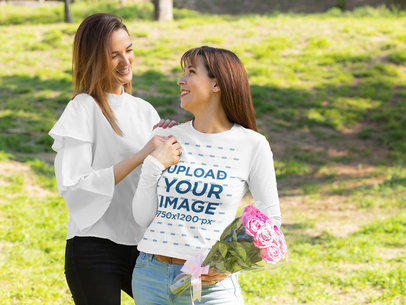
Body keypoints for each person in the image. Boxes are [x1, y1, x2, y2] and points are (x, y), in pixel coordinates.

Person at [131, 46, 281, 304]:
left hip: (210, 285)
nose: (181, 80)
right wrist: (153, 165)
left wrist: (227, 264)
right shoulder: (169, 137)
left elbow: (270, 217)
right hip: (150, 275)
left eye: (191, 72)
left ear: (217, 84)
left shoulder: (252, 144)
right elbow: (142, 218)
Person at [48, 13, 181, 305]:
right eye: (113, 55)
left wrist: (173, 148)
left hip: (145, 248)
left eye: (128, 50)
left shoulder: (145, 110)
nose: (125, 62)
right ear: (94, 60)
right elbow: (75, 185)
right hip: (94, 249)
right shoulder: (83, 108)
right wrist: (141, 155)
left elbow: (156, 180)